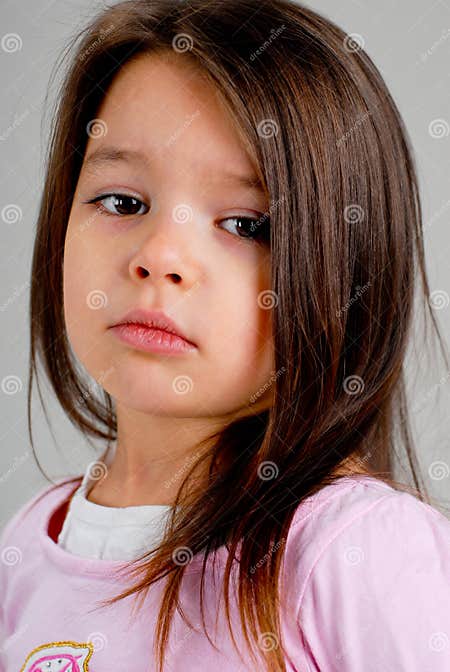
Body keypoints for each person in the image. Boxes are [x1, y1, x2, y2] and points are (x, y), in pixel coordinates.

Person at [1, 1, 449, 670]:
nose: (161, 255)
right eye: (123, 202)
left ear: (344, 271)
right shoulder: (31, 543)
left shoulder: (350, 550)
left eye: (245, 225)